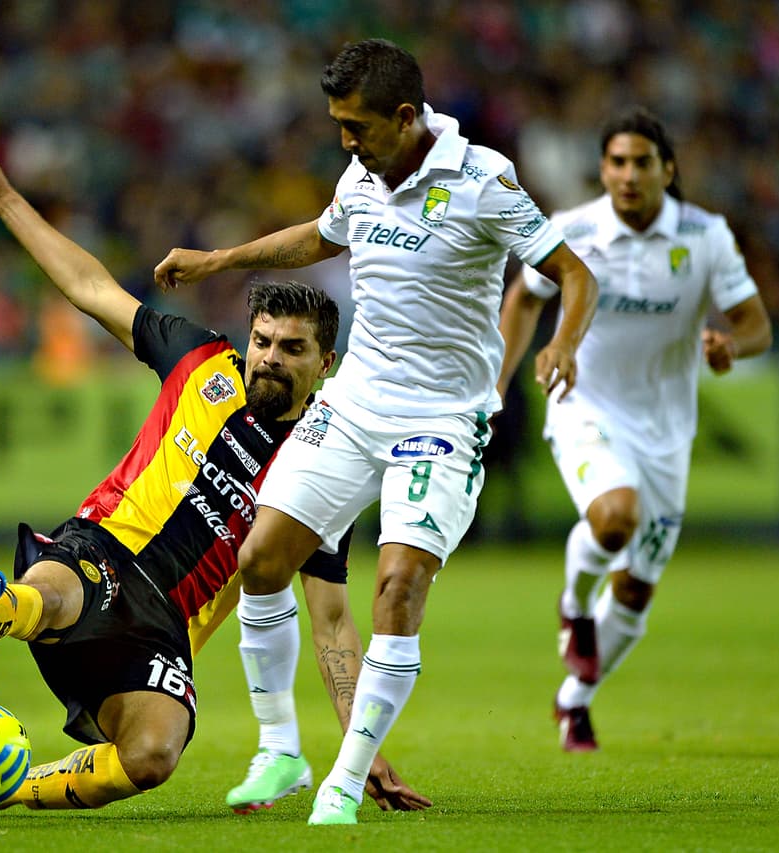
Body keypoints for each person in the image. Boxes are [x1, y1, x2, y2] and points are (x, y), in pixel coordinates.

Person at [0, 140, 431, 819]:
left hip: (165, 626)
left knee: (151, 755)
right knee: (52, 595)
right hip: (105, 548)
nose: (268, 358)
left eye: (292, 349)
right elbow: (91, 289)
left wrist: (359, 745)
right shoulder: (200, 360)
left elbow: (332, 623)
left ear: (326, 364)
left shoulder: (326, 467)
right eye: (262, 341)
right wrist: (12, 202)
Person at [153, 38, 598, 825]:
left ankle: (347, 777)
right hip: (354, 403)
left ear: (404, 116)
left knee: (397, 584)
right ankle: (281, 749)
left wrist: (563, 341)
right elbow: (321, 236)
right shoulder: (362, 174)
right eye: (338, 124)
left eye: (356, 126)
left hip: (441, 420)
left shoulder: (483, 180)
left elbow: (574, 272)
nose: (345, 140)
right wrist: (220, 260)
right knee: (260, 559)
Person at [497, 107, 772, 751]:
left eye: (642, 162)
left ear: (666, 170)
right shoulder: (574, 230)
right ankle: (574, 603)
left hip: (666, 430)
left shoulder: (705, 236)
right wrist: (500, 383)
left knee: (636, 587)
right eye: (617, 162)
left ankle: (575, 699)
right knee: (615, 517)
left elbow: (757, 323)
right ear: (602, 169)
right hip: (585, 405)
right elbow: (524, 298)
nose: (628, 175)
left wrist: (733, 346)